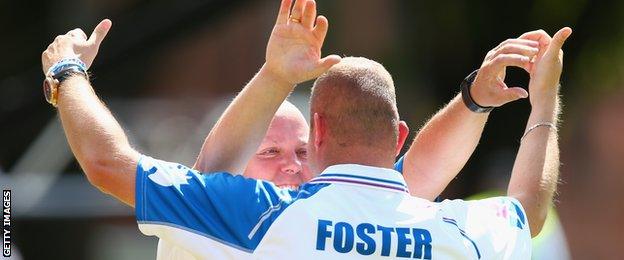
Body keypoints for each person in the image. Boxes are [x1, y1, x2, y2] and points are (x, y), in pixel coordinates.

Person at [41, 0, 570, 258]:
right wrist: (537, 102)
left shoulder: (256, 218)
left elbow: (109, 162)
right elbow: (527, 209)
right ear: (398, 138)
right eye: (269, 150)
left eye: (298, 148)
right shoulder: (453, 233)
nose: (292, 164)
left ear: (319, 137)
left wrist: (66, 72)